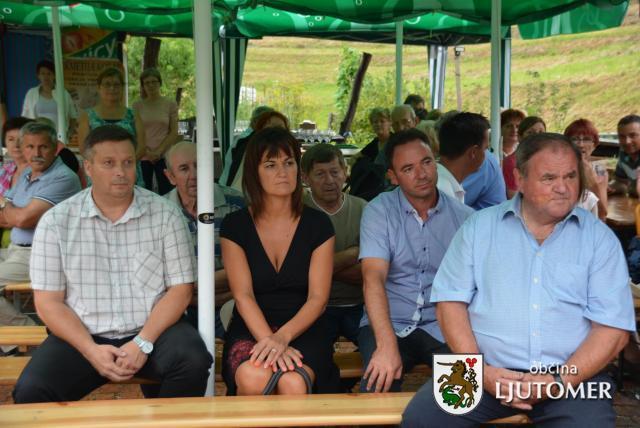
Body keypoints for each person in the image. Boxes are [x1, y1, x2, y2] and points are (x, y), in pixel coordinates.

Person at [403, 132, 635, 427]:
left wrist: (558, 380)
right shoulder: (479, 227)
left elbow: (613, 328)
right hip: (482, 369)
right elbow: (450, 304)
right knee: (423, 420)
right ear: (520, 179)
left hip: (572, 377)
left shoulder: (599, 239)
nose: (563, 187)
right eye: (549, 178)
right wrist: (480, 371)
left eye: (570, 176)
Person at [13, 125, 212, 403]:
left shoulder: (165, 214)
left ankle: (163, 421)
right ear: (88, 167)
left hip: (153, 331)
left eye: (128, 162)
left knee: (192, 361)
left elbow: (180, 289)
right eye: (108, 163)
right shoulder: (56, 222)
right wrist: (90, 350)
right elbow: (48, 302)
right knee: (32, 390)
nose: (121, 171)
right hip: (82, 334)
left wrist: (143, 342)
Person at [220, 127, 340, 395]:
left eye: (289, 163)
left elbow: (318, 299)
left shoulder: (318, 224)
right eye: (271, 165)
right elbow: (243, 296)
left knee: (292, 381)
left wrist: (282, 338)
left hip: (303, 328)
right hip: (251, 327)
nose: (283, 172)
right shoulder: (235, 225)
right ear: (254, 173)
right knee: (253, 376)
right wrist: (270, 341)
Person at [358, 129, 473, 393]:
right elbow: (373, 278)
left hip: (443, 324)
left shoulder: (465, 218)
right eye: (408, 169)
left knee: (463, 395)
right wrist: (386, 346)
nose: (421, 174)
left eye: (426, 162)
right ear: (393, 176)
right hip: (389, 322)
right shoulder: (379, 211)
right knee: (377, 388)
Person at [0, 121, 81, 351]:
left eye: (43, 147)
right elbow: (10, 217)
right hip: (15, 250)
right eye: (30, 147)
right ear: (23, 148)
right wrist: (13, 212)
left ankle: (29, 338)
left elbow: (22, 219)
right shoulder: (27, 173)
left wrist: (7, 207)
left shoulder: (63, 177)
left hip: (39, 255)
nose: (36, 153)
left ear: (55, 148)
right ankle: (17, 342)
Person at [163, 141, 244, 338]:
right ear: (170, 177)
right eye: (184, 169)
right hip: (179, 307)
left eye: (199, 165)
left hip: (231, 303)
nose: (194, 175)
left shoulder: (236, 204)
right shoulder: (160, 210)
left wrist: (188, 288)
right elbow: (159, 279)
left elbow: (248, 266)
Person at [301, 144, 367, 348]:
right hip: (313, 306)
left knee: (380, 351)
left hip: (360, 305)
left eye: (334, 172)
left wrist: (316, 267)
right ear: (305, 178)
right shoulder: (298, 212)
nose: (329, 180)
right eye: (320, 174)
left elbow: (369, 271)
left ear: (345, 172)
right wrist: (353, 253)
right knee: (314, 357)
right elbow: (297, 271)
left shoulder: (364, 209)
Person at [77, 67, 146, 186]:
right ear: (99, 87)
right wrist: (105, 164)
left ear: (122, 88)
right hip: (99, 173)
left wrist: (126, 163)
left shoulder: (133, 114)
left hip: (128, 171)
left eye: (116, 85)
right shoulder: (87, 116)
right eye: (107, 84)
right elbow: (84, 148)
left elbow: (142, 146)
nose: (112, 88)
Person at [133, 68, 179, 195]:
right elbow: (135, 132)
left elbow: (174, 131)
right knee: (143, 193)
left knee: (168, 192)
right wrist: (147, 152)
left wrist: (158, 152)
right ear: (143, 86)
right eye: (147, 83)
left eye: (154, 81)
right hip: (143, 155)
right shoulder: (137, 106)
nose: (151, 85)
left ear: (160, 83)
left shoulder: (170, 104)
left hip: (164, 155)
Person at [228, 110, 289, 191]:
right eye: (269, 128)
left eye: (279, 128)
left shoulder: (289, 152)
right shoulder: (252, 152)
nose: (274, 132)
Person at [436, 112, 490, 203]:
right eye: (486, 149)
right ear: (473, 152)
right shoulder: (441, 191)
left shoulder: (443, 182)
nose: (487, 155)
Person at [564, 118, 608, 220]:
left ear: (594, 145)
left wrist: (592, 183)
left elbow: (602, 214)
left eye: (587, 139)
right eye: (575, 139)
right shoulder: (559, 168)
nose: (581, 145)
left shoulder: (599, 170)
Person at [220, 105, 274, 186]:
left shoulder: (246, 137)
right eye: (268, 122)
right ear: (255, 121)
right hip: (233, 188)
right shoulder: (248, 140)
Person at [21, 60, 77, 135]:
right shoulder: (31, 93)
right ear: (38, 75)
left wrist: (69, 133)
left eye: (49, 73)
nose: (46, 77)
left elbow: (73, 116)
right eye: (43, 73)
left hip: (59, 136)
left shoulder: (63, 93)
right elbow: (24, 117)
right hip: (37, 136)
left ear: (54, 75)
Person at [349, 108, 392, 201]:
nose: (378, 124)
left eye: (382, 121)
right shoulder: (375, 142)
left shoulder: (395, 141)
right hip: (374, 188)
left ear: (389, 123)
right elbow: (355, 157)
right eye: (375, 122)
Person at [504, 116, 546, 198]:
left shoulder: (547, 160)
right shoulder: (511, 163)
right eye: (530, 132)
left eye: (541, 132)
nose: (537, 136)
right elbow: (513, 197)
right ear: (519, 137)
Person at [0, 117, 32, 197]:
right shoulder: (4, 170)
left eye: (21, 139)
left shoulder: (39, 172)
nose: (16, 145)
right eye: (11, 139)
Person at [610, 114, 640, 196]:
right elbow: (621, 182)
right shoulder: (623, 152)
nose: (627, 141)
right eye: (622, 136)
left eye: (633, 135)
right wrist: (608, 187)